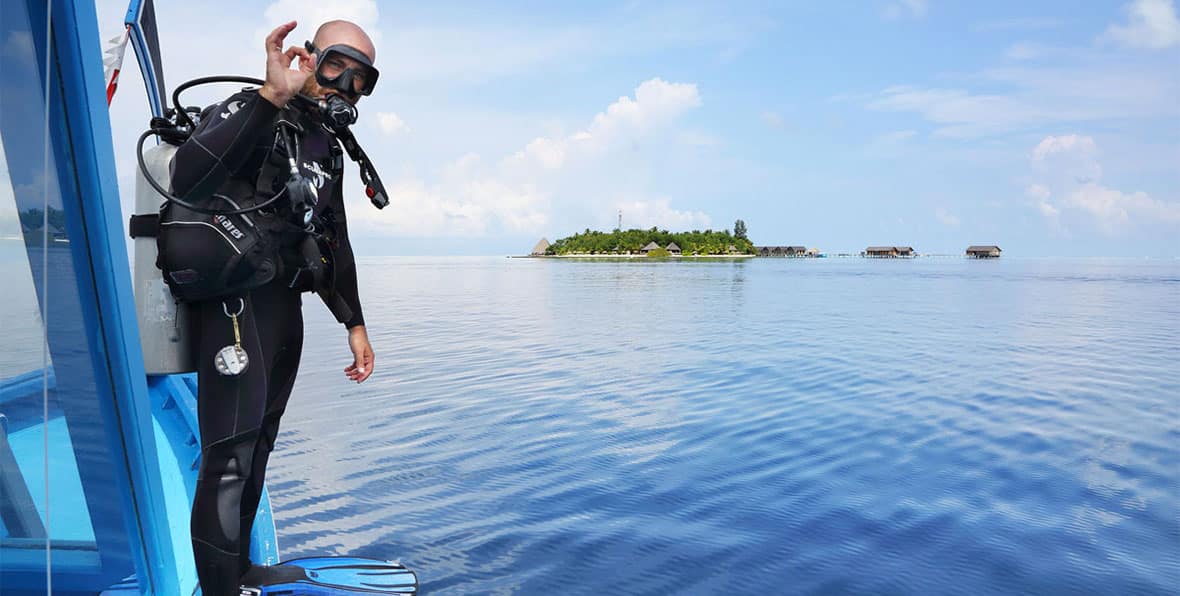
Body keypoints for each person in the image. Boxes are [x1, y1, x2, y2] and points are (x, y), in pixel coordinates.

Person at [169, 19, 378, 595]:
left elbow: (334, 238)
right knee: (229, 454)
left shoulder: (326, 148)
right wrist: (270, 98)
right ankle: (218, 589)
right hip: (236, 306)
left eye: (362, 78)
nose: (346, 85)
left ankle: (237, 572)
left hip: (285, 307)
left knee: (259, 443)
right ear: (308, 57)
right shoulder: (252, 107)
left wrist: (354, 323)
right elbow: (186, 175)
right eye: (338, 66)